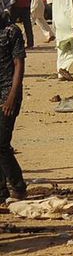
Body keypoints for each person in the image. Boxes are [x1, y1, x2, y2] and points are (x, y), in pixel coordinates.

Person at [0, 11, 27, 201]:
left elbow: (19, 65)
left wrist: (11, 96)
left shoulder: (12, 31)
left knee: (1, 143)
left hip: (8, 94)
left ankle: (18, 186)